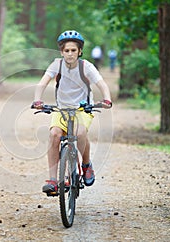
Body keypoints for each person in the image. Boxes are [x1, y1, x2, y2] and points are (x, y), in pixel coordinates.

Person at [32, 30, 112, 196]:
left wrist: (107, 99)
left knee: (80, 132)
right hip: (62, 109)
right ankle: (53, 180)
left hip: (82, 109)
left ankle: (86, 164)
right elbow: (42, 83)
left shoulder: (86, 66)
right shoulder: (56, 65)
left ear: (80, 51)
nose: (70, 54)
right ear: (61, 52)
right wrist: (38, 101)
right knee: (54, 134)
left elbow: (101, 83)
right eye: (66, 50)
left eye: (73, 50)